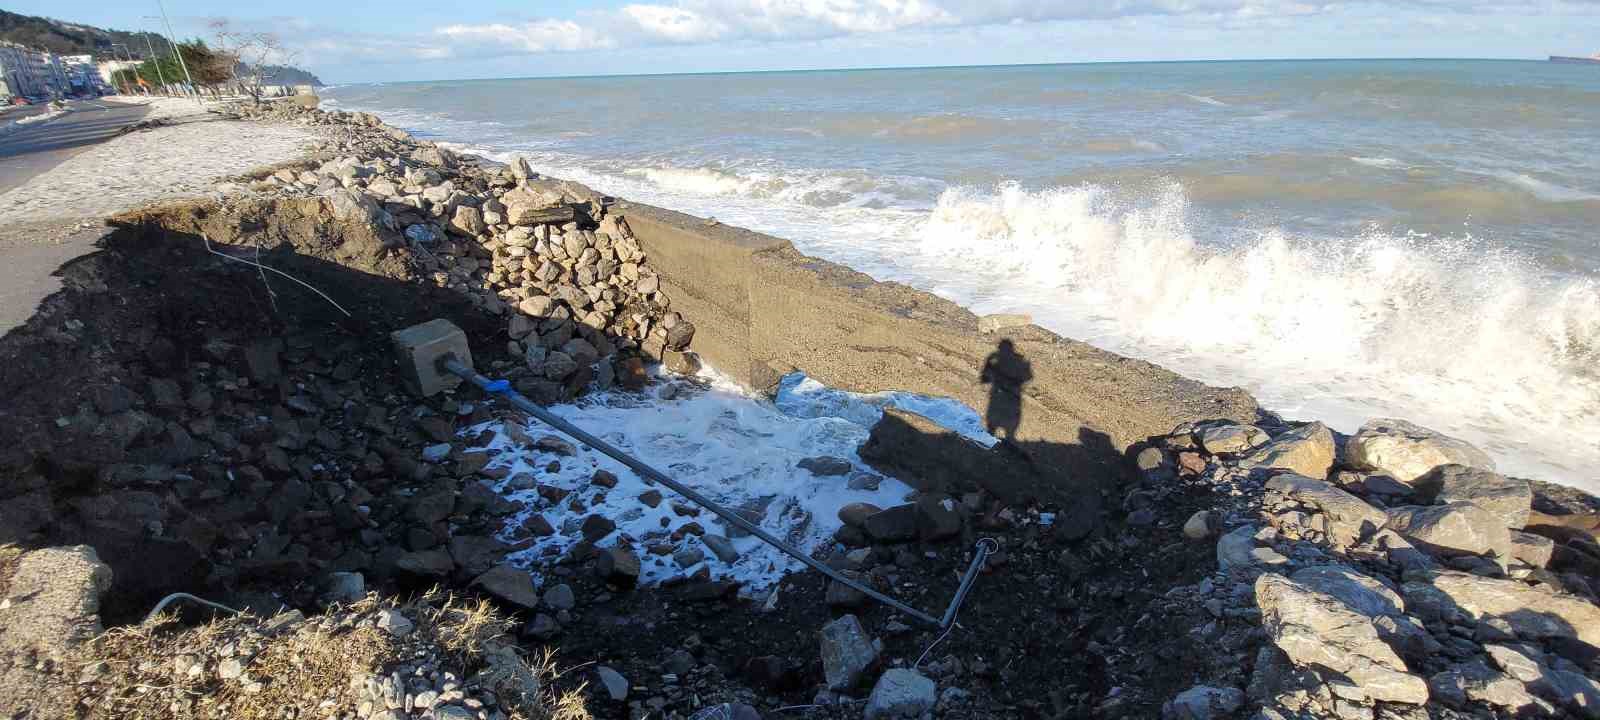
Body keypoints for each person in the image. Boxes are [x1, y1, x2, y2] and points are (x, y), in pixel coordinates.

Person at [979, 339, 1032, 443]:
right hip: (1012, 400)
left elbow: (984, 379)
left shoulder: (995, 360)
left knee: (993, 428)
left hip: (999, 400)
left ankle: (989, 444)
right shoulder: (1018, 360)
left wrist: (989, 363)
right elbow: (1028, 377)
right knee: (1008, 431)